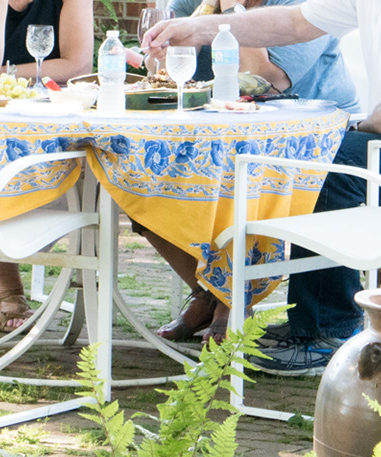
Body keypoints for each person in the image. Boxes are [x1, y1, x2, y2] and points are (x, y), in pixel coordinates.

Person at [145, 0, 381, 375]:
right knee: (318, 155)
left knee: (323, 163)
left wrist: (357, 127)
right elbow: (294, 23)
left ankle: (327, 332)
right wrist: (200, 28)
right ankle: (289, 314)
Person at [134, 0, 360, 344]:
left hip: (310, 138)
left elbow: (265, 79)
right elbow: (161, 71)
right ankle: (211, 293)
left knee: (237, 186)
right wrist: (164, 53)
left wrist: (232, 11)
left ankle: (231, 301)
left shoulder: (301, 5)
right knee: (144, 175)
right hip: (221, 128)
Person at [0, 0, 94, 329]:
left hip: (53, 133)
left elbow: (77, 65)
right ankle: (8, 286)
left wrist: (3, 73)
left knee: (75, 174)